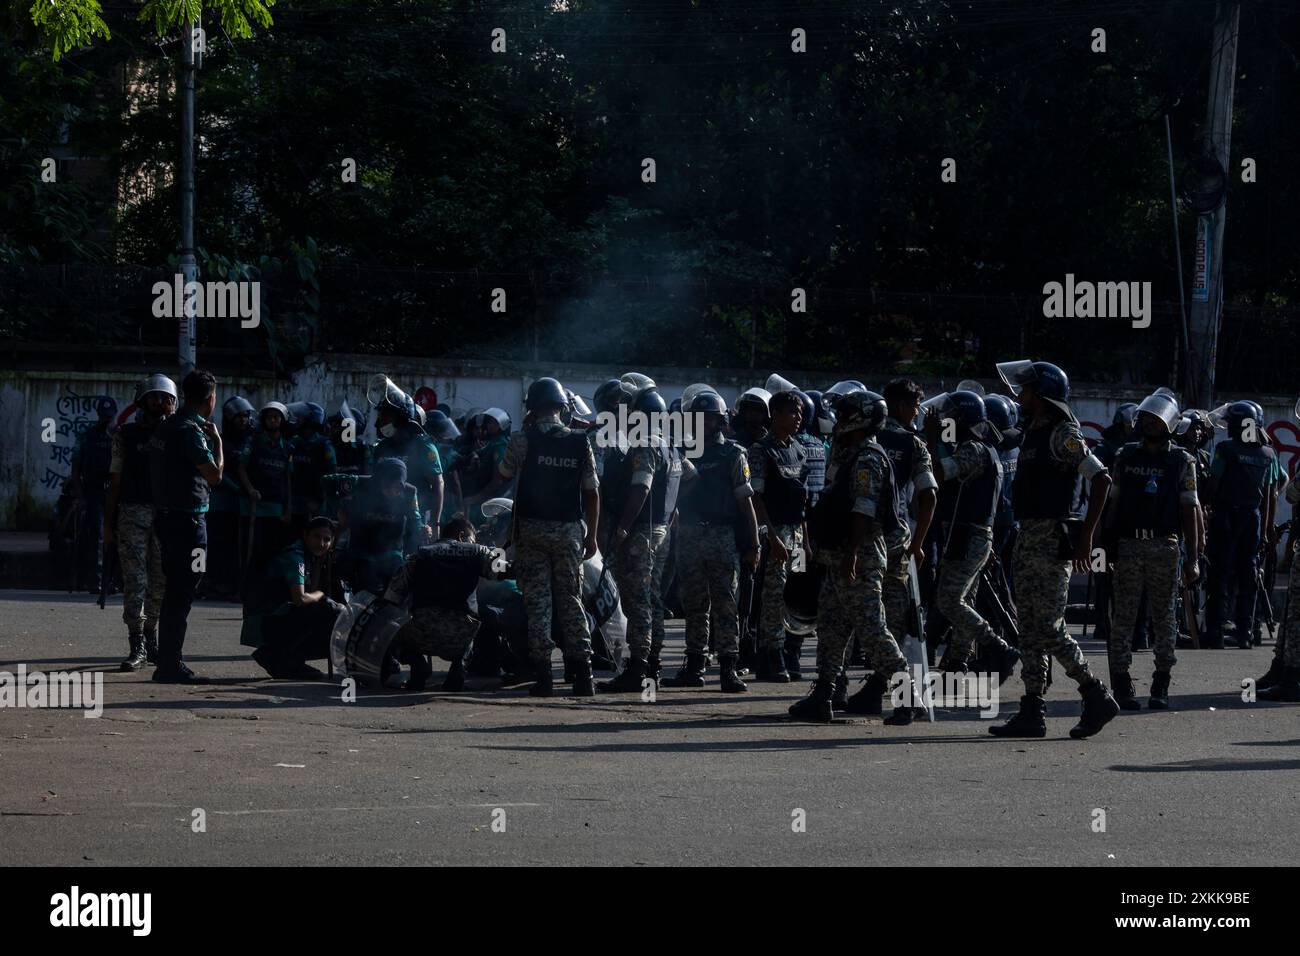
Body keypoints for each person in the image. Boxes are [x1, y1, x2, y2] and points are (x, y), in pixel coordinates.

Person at [988, 360, 1118, 739]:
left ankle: (1095, 693)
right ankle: (1032, 710)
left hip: (1050, 539)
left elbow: (1101, 478)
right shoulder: (1031, 432)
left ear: (1042, 395)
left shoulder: (1064, 432)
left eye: (1026, 389)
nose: (1020, 395)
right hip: (1028, 537)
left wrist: (1087, 536)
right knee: (1028, 628)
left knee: (1048, 625)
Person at [790, 390, 921, 725]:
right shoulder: (849, 452)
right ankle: (823, 696)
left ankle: (908, 699)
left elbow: (863, 510)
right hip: (839, 557)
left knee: (873, 629)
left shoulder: (868, 458)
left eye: (846, 414)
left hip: (858, 556)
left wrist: (850, 555)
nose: (840, 420)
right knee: (831, 630)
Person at [497, 378, 600, 697]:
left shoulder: (520, 440)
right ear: (561, 408)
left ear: (532, 408)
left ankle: (543, 678)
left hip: (531, 532)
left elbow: (501, 478)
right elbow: (593, 493)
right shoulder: (580, 441)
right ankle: (583, 675)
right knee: (571, 600)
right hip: (569, 532)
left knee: (538, 603)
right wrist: (592, 537)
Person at [1104, 390, 1201, 710]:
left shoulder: (1181, 461)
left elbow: (1190, 510)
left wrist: (1193, 559)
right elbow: (1113, 503)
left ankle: (1161, 684)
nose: (1150, 424)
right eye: (1146, 419)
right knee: (1123, 618)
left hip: (1165, 545)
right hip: (1129, 545)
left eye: (1157, 420)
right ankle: (1121, 684)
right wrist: (1104, 546)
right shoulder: (1125, 456)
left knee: (1164, 618)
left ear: (1169, 425)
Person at [660, 390, 759, 693]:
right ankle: (694, 665)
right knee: (693, 604)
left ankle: (728, 666)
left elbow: (746, 502)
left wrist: (754, 544)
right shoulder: (681, 452)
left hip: (722, 536)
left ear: (719, 420)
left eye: (710, 418)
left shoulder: (733, 454)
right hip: (688, 534)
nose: (703, 423)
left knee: (726, 604)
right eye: (697, 417)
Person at [924, 390, 1020, 682]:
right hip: (969, 535)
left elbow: (940, 472)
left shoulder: (974, 449)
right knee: (966, 597)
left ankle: (997, 646)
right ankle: (958, 660)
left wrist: (932, 438)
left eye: (950, 414)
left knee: (950, 600)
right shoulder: (979, 446)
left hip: (969, 535)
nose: (945, 419)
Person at [148, 369, 223, 684]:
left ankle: (167, 660)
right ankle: (170, 664)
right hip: (189, 521)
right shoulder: (191, 431)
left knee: (174, 591)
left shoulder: (166, 427)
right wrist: (218, 442)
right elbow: (215, 476)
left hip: (165, 518)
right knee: (183, 591)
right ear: (210, 398)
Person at [382, 516, 512, 692]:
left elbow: (392, 598)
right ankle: (459, 668)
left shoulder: (419, 555)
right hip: (460, 636)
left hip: (421, 634)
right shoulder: (477, 551)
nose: (473, 543)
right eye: (472, 539)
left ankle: (417, 663)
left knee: (393, 625)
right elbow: (505, 570)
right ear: (461, 536)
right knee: (482, 619)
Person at [591, 379, 662, 694]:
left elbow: (641, 487)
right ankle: (638, 669)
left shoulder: (642, 441)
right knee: (631, 601)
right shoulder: (619, 443)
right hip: (624, 533)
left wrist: (622, 527)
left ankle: (641, 672)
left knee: (637, 602)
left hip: (634, 534)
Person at [104, 374, 176, 670]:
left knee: (160, 581)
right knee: (136, 581)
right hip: (132, 513)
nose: (158, 403)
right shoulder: (126, 434)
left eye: (164, 398)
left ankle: (151, 639)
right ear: (142, 401)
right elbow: (115, 479)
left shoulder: (179, 432)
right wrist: (108, 523)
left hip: (167, 516)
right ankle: (137, 644)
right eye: (153, 397)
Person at [1204, 402, 1281, 649]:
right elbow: (1270, 495)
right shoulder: (1268, 454)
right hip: (1253, 519)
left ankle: (1215, 631)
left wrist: (1204, 507)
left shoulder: (1225, 450)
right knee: (1248, 575)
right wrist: (1268, 530)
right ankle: (1246, 632)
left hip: (1226, 517)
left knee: (1220, 574)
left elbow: (1213, 484)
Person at [748, 390, 810, 683]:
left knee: (794, 595)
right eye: (791, 412)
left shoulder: (798, 448)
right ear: (775, 414)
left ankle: (791, 651)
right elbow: (756, 499)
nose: (797, 418)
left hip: (797, 535)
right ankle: (770, 656)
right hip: (777, 535)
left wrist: (806, 542)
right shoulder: (762, 450)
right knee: (773, 596)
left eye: (798, 413)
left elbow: (803, 501)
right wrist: (771, 538)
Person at [244, 517, 342, 680]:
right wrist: (321, 595)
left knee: (332, 613)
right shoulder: (295, 556)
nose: (322, 543)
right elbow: (300, 599)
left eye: (327, 539)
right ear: (305, 536)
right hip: (266, 621)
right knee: (326, 609)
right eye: (317, 537)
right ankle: (278, 658)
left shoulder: (316, 558)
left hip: (281, 617)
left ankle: (287, 660)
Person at [343, 457, 426, 595]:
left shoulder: (409, 492)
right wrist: (341, 508)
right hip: (363, 550)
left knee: (393, 593)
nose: (394, 492)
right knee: (364, 594)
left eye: (398, 487)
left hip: (391, 550)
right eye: (389, 486)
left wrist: (422, 527)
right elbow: (328, 482)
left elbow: (415, 517)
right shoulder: (362, 483)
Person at [371, 376, 444, 531]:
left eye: (386, 416)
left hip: (415, 517)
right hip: (382, 516)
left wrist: (434, 523)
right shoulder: (381, 447)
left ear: (401, 418)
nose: (381, 421)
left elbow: (438, 484)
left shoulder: (423, 446)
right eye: (380, 415)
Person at [237, 402, 294, 585]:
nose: (272, 421)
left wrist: (288, 510)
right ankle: (245, 586)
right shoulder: (253, 441)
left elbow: (288, 480)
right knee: (248, 550)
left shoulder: (287, 448)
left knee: (271, 551)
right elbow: (241, 468)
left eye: (276, 417)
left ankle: (265, 589)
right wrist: (250, 489)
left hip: (275, 507)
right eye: (269, 417)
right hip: (252, 507)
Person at [206, 396, 253, 600]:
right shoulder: (220, 441)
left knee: (239, 548)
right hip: (221, 503)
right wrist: (236, 488)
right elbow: (215, 471)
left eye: (246, 416)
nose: (243, 420)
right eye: (239, 416)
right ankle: (214, 585)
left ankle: (236, 585)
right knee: (219, 546)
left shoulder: (252, 441)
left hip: (244, 505)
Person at [70, 396, 117, 592]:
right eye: (103, 416)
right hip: (94, 491)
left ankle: (112, 580)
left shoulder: (119, 435)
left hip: (116, 491)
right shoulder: (87, 435)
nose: (106, 420)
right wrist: (80, 495)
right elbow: (76, 466)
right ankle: (97, 580)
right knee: (97, 534)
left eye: (109, 417)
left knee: (118, 535)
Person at [287, 402, 337, 535]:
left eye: (301, 417)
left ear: (310, 420)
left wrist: (319, 499)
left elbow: (331, 473)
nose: (297, 419)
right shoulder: (294, 442)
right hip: (295, 500)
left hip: (315, 502)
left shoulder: (323, 444)